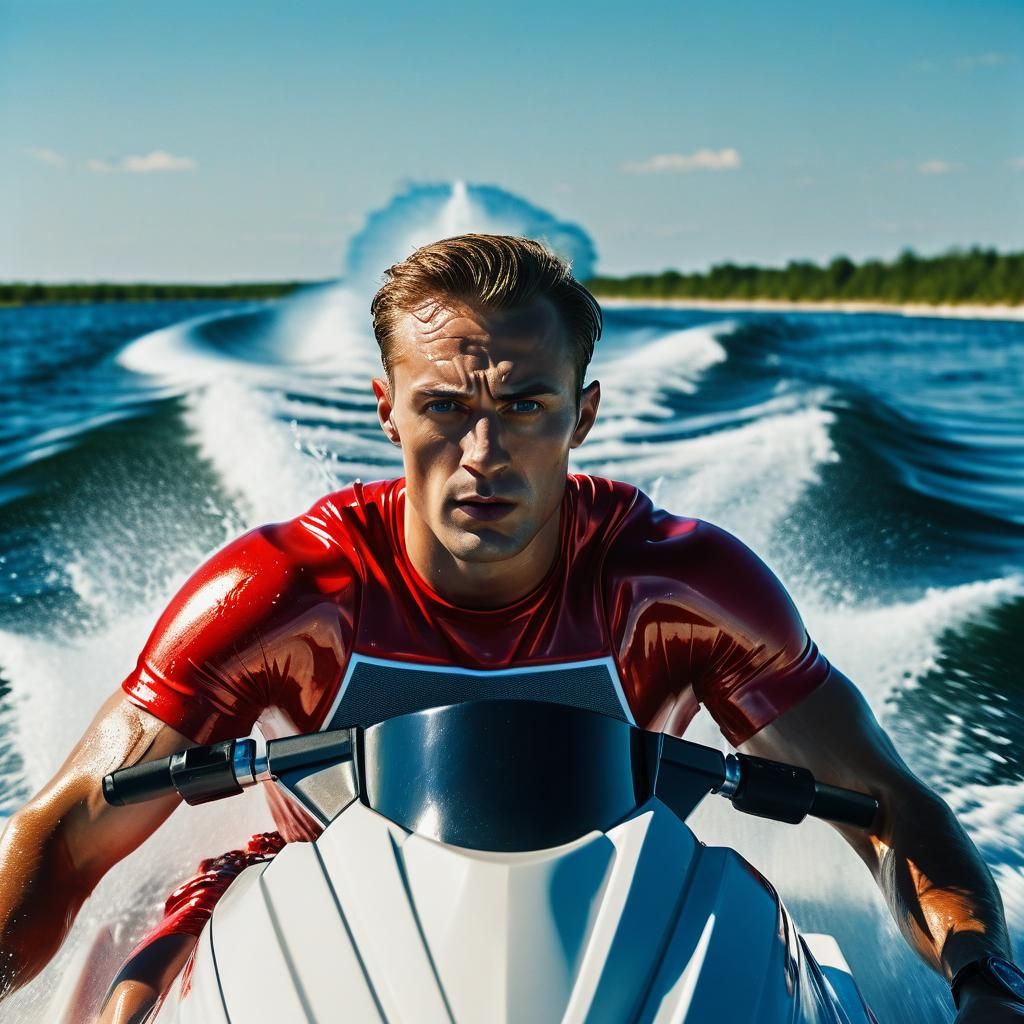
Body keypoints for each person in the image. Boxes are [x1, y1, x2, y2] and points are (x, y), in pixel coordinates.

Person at [1, 235, 1021, 1024]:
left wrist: (983, 976)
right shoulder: (284, 590)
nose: (482, 450)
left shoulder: (678, 585)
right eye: (444, 405)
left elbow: (884, 804)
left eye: (526, 404)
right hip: (311, 917)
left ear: (581, 415)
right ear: (386, 410)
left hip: (624, 919)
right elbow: (70, 824)